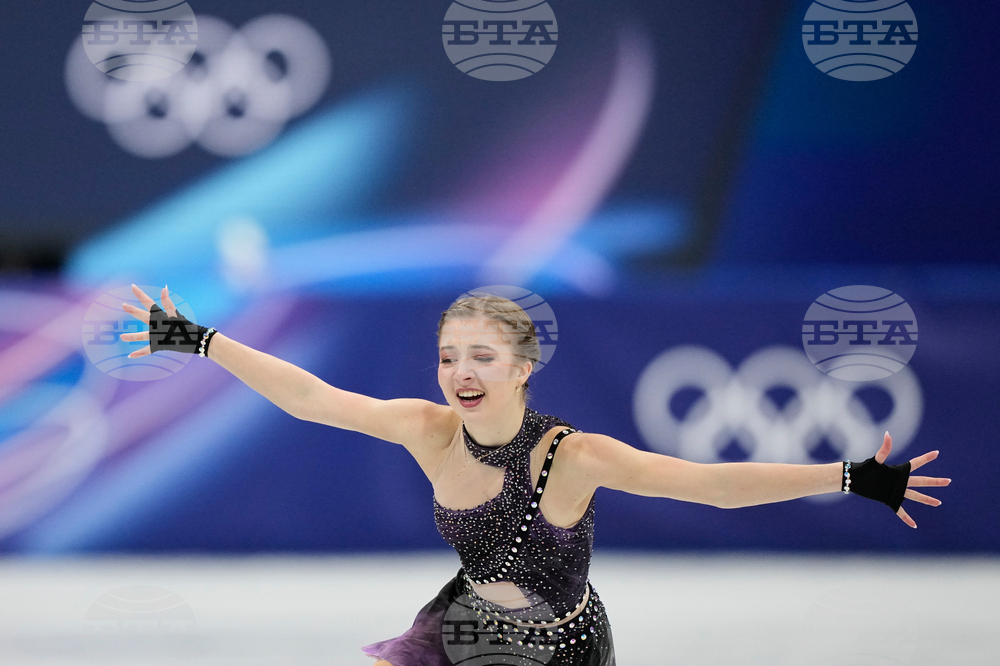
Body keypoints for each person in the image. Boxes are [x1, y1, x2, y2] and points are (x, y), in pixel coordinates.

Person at [121, 284, 950, 666]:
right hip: (465, 624)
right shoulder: (430, 430)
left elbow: (712, 483)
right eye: (449, 355)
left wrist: (849, 476)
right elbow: (311, 397)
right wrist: (202, 340)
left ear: (523, 369)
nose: (460, 370)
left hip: (560, 649)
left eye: (482, 356)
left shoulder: (574, 457)